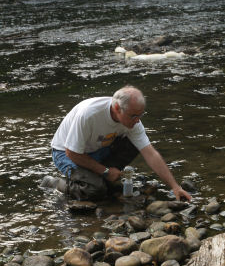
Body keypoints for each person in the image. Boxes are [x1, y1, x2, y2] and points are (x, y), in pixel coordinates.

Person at [50, 85, 191, 202]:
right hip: (65, 153)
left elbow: (150, 153)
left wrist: (175, 186)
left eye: (140, 115)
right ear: (117, 108)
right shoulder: (89, 115)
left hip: (97, 149)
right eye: (133, 116)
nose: (137, 120)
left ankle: (101, 178)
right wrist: (105, 171)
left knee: (133, 144)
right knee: (96, 190)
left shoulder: (133, 120)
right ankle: (56, 183)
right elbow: (72, 152)